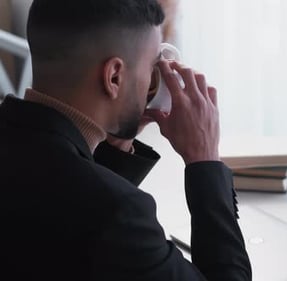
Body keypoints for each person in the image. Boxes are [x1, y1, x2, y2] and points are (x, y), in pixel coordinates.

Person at [0, 0, 251, 280]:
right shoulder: (120, 214)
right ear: (114, 76)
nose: (153, 80)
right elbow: (96, 213)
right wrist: (204, 160)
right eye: (153, 65)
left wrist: (117, 142)